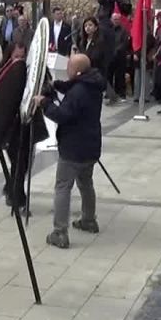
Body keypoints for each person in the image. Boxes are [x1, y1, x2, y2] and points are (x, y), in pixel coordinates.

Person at [33, 52, 105, 249]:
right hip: (90, 144)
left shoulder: (79, 92)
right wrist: (56, 85)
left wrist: (44, 103)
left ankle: (60, 232)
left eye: (70, 67)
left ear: (78, 71)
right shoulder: (92, 83)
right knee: (86, 183)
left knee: (63, 187)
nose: (67, 70)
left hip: (74, 147)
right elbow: (72, 86)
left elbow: (62, 115)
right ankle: (89, 220)